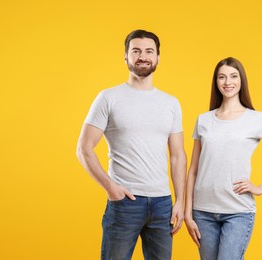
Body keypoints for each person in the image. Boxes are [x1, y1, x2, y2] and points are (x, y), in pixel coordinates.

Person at [76, 29, 187, 260]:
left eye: (149, 51)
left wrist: (180, 201)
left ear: (158, 57)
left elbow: (177, 155)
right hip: (125, 203)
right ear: (126, 56)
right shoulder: (108, 98)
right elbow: (84, 149)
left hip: (162, 205)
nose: (142, 56)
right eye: (136, 51)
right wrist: (110, 187)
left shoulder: (171, 103)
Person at [184, 57, 262, 260]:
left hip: (237, 212)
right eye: (222, 77)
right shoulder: (204, 120)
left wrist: (260, 188)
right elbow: (193, 169)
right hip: (202, 212)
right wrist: (187, 212)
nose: (228, 82)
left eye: (233, 76)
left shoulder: (256, 119)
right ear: (216, 82)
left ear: (241, 80)